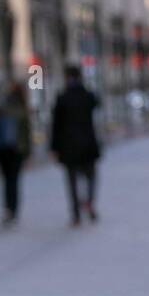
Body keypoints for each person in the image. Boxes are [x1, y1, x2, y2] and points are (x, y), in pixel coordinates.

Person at [50, 64, 101, 227]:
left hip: (69, 145)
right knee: (90, 176)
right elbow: (96, 103)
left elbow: (56, 125)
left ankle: (76, 214)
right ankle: (89, 202)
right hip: (87, 144)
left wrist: (54, 147)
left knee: (72, 180)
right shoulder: (87, 95)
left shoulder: (63, 97)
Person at [0, 81, 31, 225]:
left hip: (2, 149)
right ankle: (13, 210)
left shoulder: (1, 106)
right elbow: (26, 133)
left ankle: (7, 209)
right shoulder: (22, 108)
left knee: (6, 179)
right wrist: (28, 153)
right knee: (14, 179)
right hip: (17, 149)